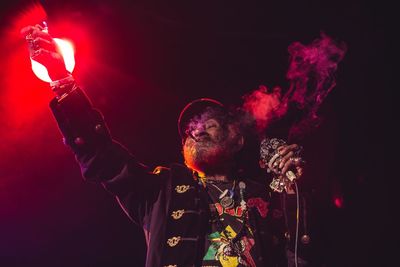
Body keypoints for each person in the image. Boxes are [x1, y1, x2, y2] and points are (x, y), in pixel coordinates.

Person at [21, 24, 310, 267]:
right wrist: (63, 83)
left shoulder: (265, 194)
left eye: (208, 122)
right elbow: (103, 155)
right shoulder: (161, 189)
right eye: (189, 129)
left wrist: (294, 190)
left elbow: (302, 253)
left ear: (237, 138)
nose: (195, 131)